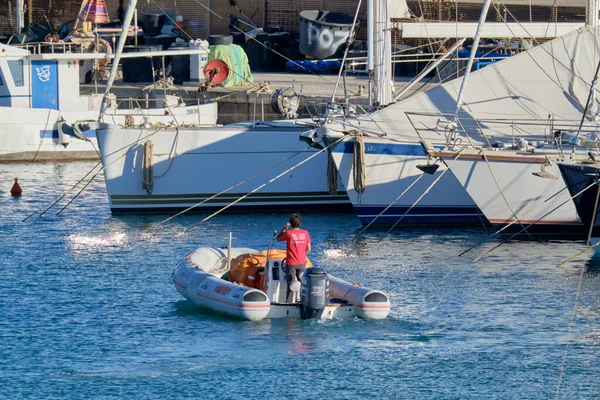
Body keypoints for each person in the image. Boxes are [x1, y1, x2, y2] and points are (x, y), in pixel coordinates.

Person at [277, 213, 311, 303]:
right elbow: (309, 249)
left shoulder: (288, 233)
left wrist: (284, 227)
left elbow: (278, 238)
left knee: (291, 284)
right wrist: (302, 255)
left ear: (291, 224)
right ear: (300, 223)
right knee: (303, 283)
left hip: (291, 263)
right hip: (302, 263)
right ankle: (303, 301)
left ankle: (288, 302)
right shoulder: (305, 233)